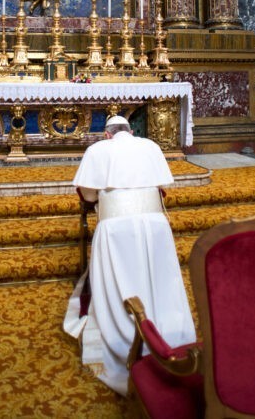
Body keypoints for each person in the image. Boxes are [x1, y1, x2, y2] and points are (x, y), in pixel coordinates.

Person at [63, 115, 196, 396]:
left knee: (120, 280)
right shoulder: (150, 146)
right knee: (159, 279)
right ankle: (170, 331)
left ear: (107, 135)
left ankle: (123, 336)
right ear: (131, 131)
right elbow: (162, 185)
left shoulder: (97, 151)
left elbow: (87, 195)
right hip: (155, 225)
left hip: (115, 228)